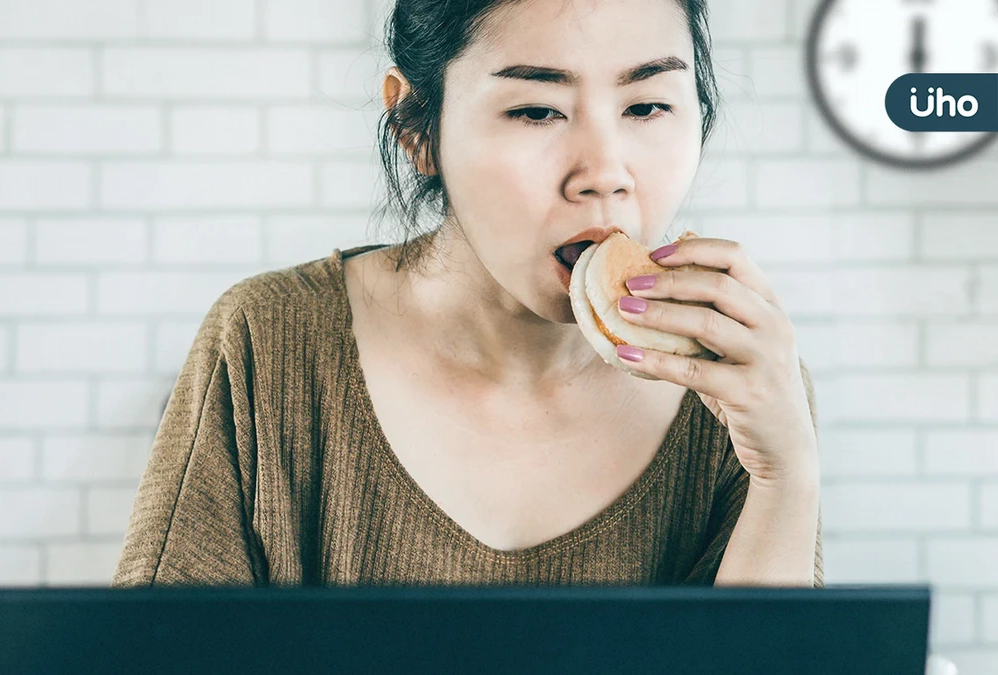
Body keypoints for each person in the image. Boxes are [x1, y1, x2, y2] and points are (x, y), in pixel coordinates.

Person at [112, 0, 823, 589]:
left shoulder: (740, 387)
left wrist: (785, 475)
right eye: (537, 111)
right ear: (416, 126)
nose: (604, 174)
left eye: (645, 105)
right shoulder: (269, 345)